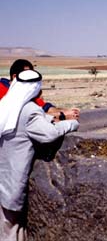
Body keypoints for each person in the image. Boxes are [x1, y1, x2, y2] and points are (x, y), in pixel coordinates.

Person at [0, 69, 79, 240]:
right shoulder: (29, 109)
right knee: (11, 231)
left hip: (2, 180)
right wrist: (70, 124)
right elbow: (49, 134)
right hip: (11, 184)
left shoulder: (7, 103)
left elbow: (37, 120)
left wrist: (52, 118)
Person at [0, 59, 80, 121]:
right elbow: (27, 116)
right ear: (15, 77)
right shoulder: (2, 90)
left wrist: (69, 111)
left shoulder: (26, 92)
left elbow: (45, 107)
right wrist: (62, 115)